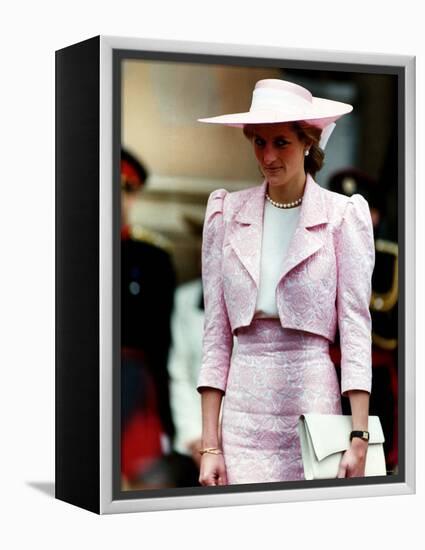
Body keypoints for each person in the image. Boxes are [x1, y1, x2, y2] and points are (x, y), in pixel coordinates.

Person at [196, 79, 375, 485]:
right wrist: (211, 446)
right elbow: (216, 335)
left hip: (312, 405)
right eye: (258, 142)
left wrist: (359, 435)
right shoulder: (226, 213)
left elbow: (355, 327)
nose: (268, 156)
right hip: (242, 417)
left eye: (281, 142)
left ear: (308, 142)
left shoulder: (342, 216)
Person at [120, 148, 176, 485]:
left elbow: (160, 346)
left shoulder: (152, 258)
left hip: (132, 383)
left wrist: (167, 423)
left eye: (125, 190)